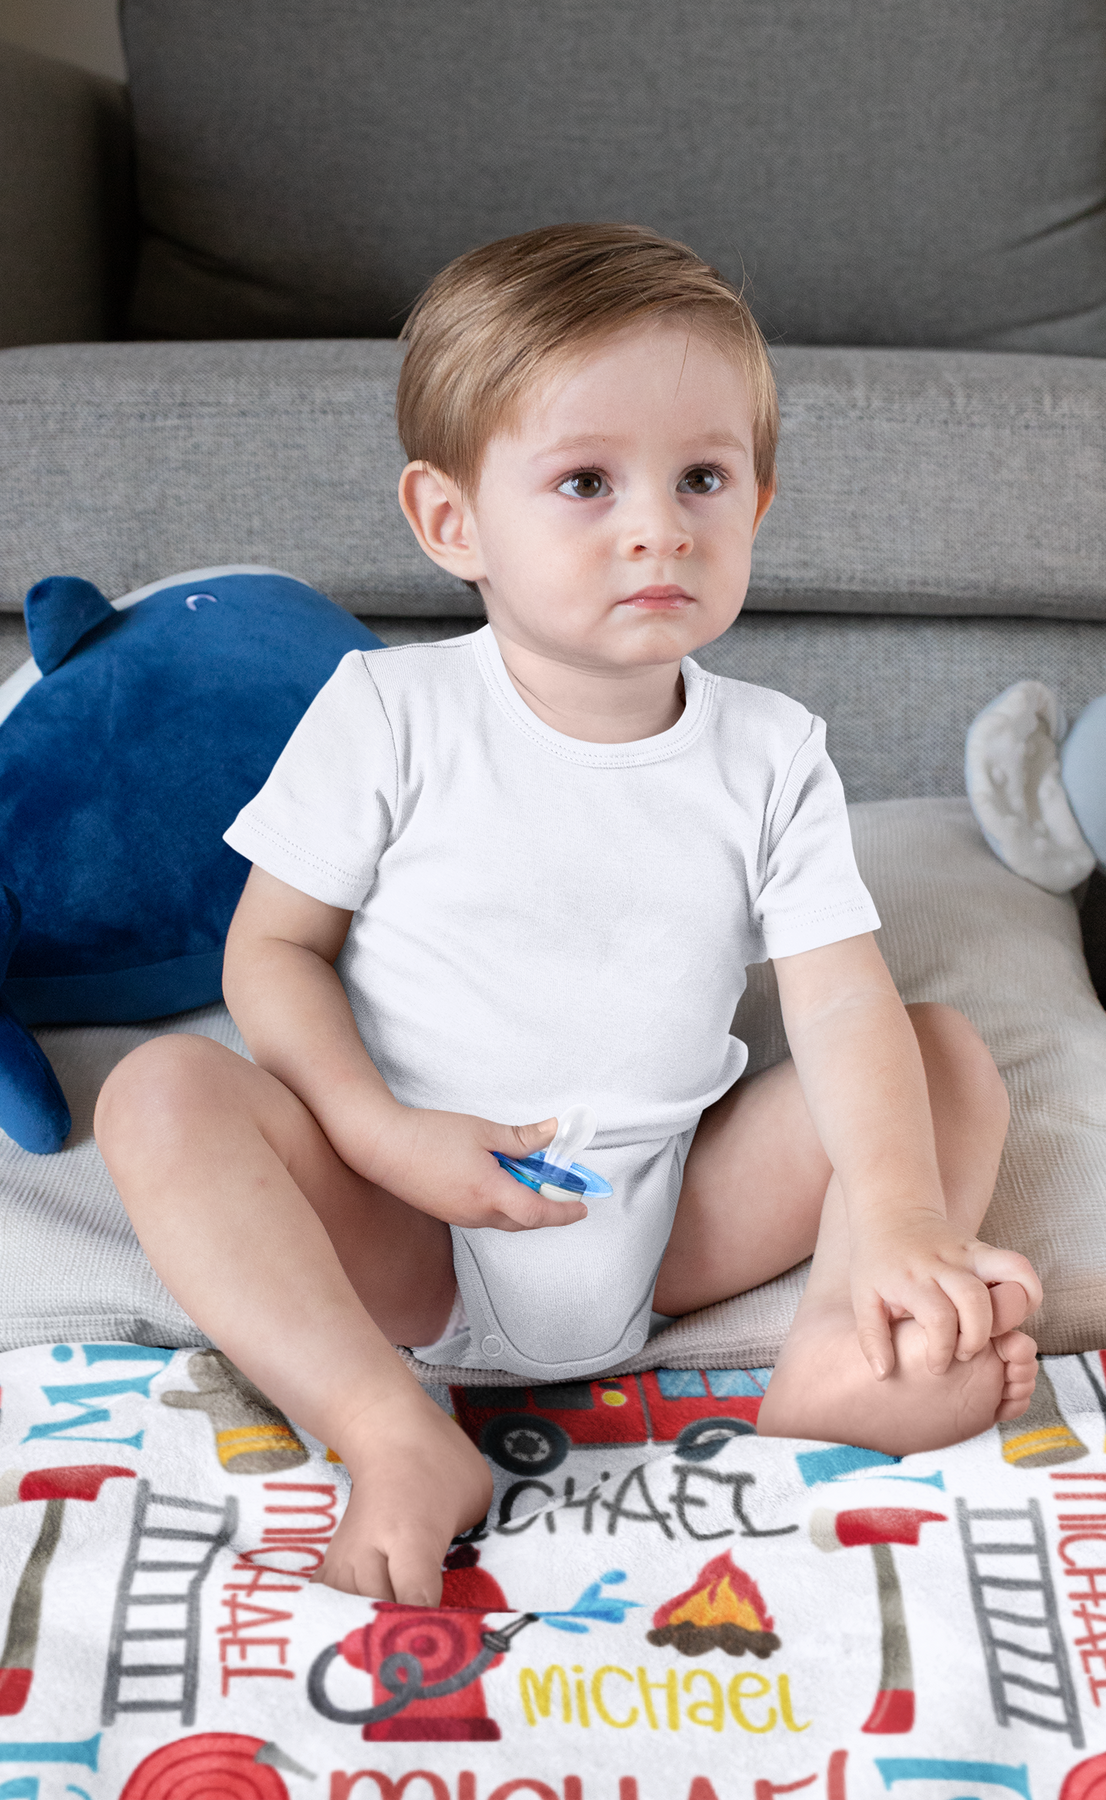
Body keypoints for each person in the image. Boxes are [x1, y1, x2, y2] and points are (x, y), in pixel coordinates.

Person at [95, 222, 1041, 1607]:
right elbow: (274, 950)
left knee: (937, 1050)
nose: (659, 524)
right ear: (450, 521)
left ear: (760, 504)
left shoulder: (772, 751)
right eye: (588, 481)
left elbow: (837, 1000)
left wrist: (898, 1216)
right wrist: (386, 1138)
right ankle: (389, 1430)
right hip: (410, 1226)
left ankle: (845, 1345)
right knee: (163, 1093)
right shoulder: (391, 715)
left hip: (667, 1221)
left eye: (703, 477)